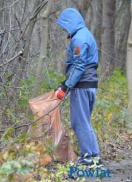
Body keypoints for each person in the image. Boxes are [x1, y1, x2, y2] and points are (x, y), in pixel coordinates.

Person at [55, 8, 102, 166]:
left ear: (70, 23)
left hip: (82, 86)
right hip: (89, 84)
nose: (64, 30)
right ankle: (94, 155)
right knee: (84, 121)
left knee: (79, 122)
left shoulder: (79, 39)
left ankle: (88, 156)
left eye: (65, 26)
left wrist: (66, 86)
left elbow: (79, 65)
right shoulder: (85, 34)